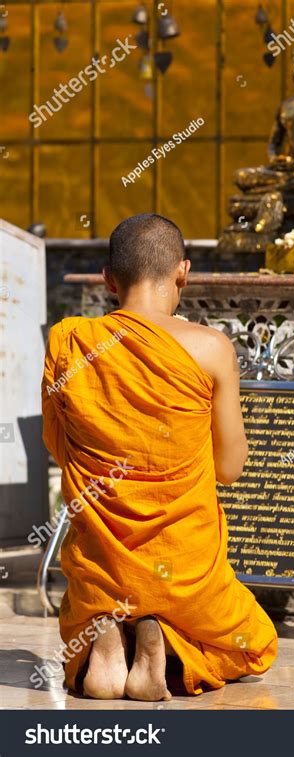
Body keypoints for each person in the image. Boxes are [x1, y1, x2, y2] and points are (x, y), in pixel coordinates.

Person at [42, 213, 278, 701]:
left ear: (109, 279)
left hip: (102, 559)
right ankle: (161, 636)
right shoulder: (210, 348)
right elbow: (231, 469)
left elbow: (58, 448)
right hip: (184, 565)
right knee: (251, 644)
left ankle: (109, 634)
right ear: (183, 272)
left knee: (104, 586)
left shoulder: (71, 343)